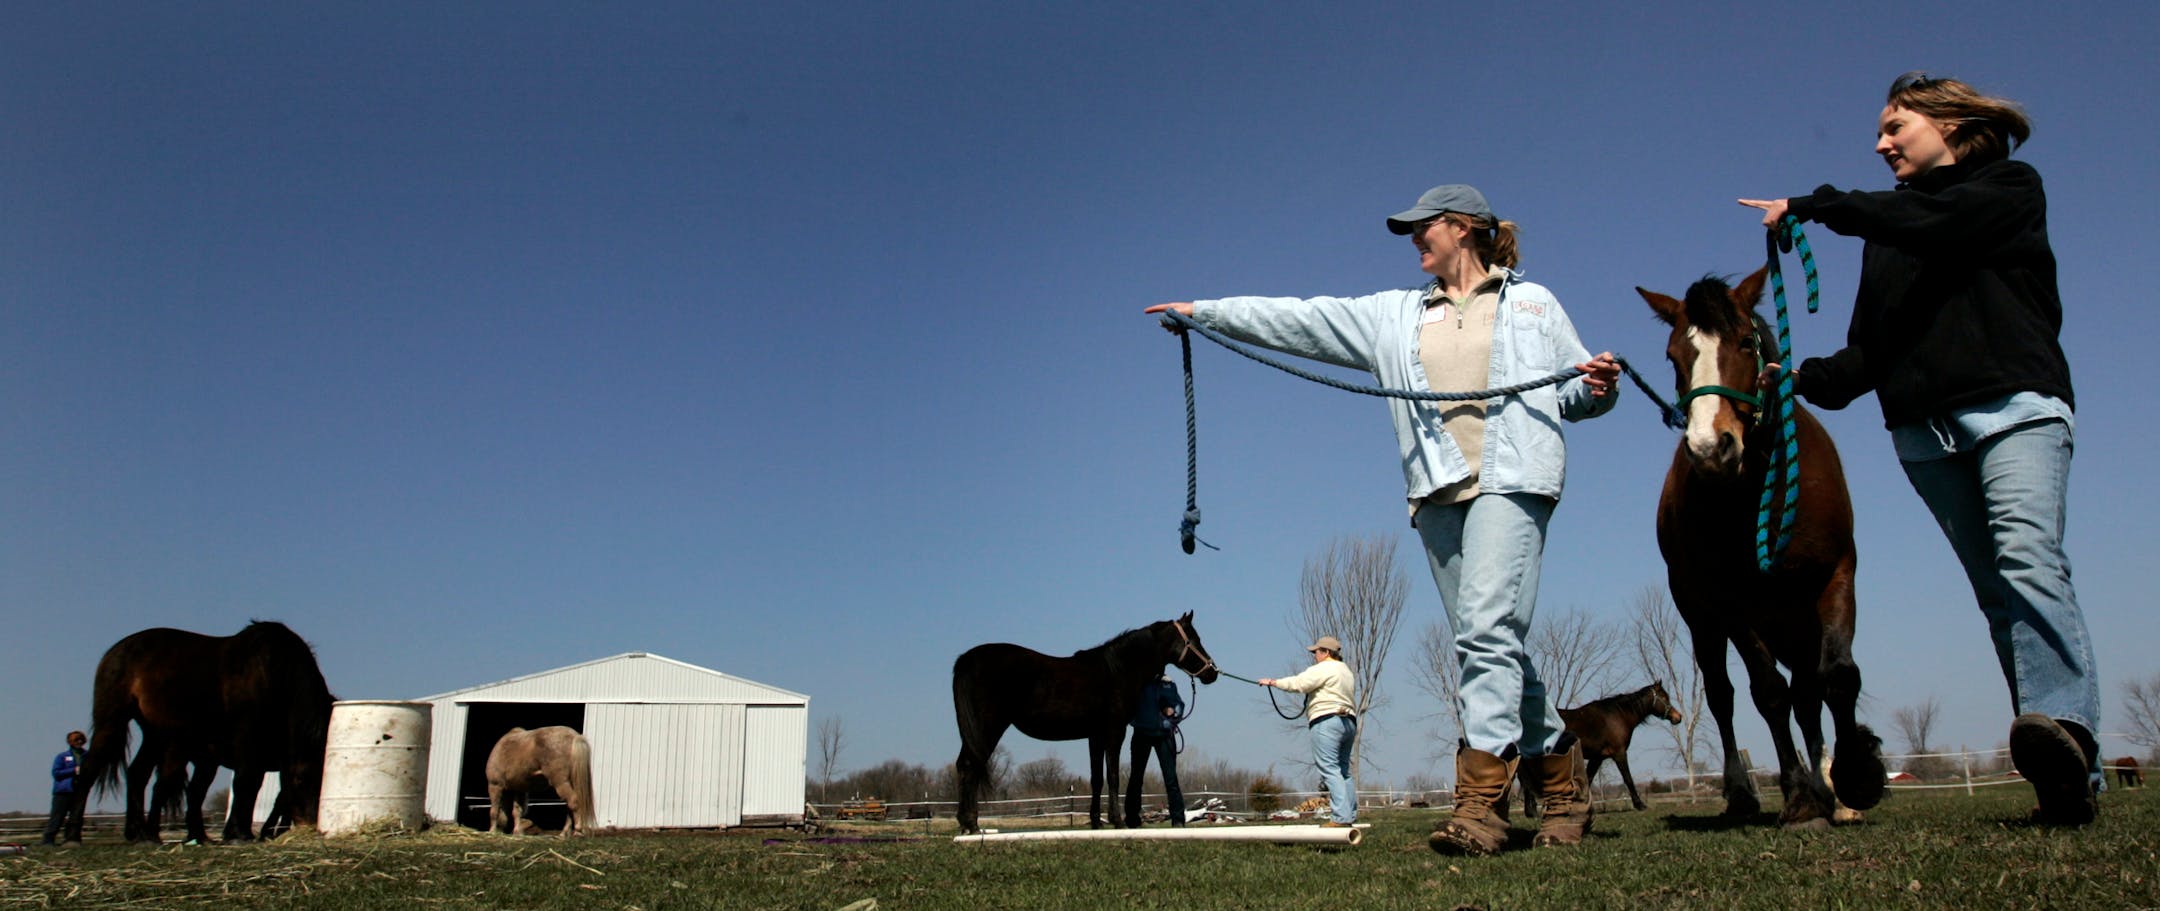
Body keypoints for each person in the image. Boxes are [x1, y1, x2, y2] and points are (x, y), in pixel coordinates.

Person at [1147, 184, 1620, 854]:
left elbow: (1572, 391)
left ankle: (1483, 803)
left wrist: (1598, 386)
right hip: (1438, 493)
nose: (1412, 239)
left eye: (1422, 227)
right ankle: (1564, 786)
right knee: (1492, 641)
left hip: (1515, 481)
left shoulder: (1534, 302)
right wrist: (1206, 315)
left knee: (1485, 631)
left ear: (1461, 228)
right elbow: (1304, 321)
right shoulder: (1395, 316)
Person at [1740, 72, 2100, 825]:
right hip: (1925, 436)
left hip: (2012, 408)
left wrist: (1817, 204)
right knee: (1998, 593)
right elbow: (1871, 349)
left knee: (2028, 559)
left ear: (1951, 122)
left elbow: (1943, 224)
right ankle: (2058, 776)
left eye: (1896, 125)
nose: (1881, 142)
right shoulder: (1890, 228)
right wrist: (1795, 377)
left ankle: (2067, 734)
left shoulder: (2008, 188)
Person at [1259, 637, 1359, 827]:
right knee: (1344, 771)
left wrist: (1273, 682)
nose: (1315, 656)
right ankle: (1350, 814)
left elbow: (1299, 683)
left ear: (1326, 652)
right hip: (1349, 722)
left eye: (1317, 652)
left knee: (1330, 770)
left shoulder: (1323, 669)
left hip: (1326, 721)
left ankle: (1341, 818)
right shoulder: (1346, 671)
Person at [1123, 674, 1187, 827]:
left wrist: (1174, 713)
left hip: (1165, 735)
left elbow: (1179, 705)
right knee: (1136, 777)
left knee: (1170, 778)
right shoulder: (1138, 682)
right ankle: (1132, 818)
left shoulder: (1168, 685)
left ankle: (1178, 819)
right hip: (1142, 734)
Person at [41, 730, 87, 846]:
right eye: (76, 739)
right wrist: (73, 771)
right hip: (63, 791)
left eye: (81, 739)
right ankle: (48, 840)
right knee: (57, 816)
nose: (79, 741)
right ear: (70, 742)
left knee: (76, 817)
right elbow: (56, 773)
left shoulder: (87, 756)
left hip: (79, 791)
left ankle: (71, 839)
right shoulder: (62, 757)